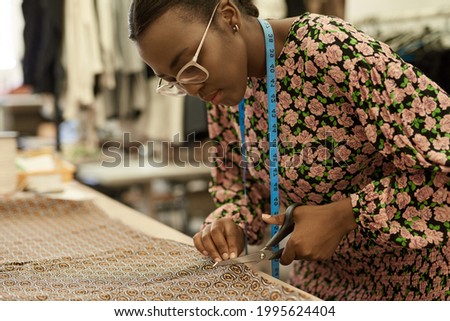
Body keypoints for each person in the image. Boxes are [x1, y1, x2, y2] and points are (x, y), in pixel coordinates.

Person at [128, 0, 450, 300]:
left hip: (414, 283)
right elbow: (237, 184)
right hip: (320, 285)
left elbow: (443, 163)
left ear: (228, 17)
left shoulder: (328, 48)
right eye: (174, 80)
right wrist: (228, 222)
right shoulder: (224, 89)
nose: (191, 88)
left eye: (189, 65)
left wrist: (345, 216)